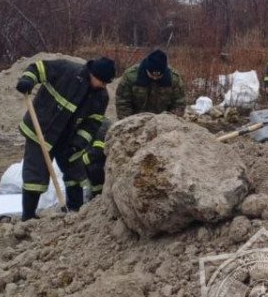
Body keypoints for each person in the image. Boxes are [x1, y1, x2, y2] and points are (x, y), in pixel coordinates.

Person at [15, 56, 115, 221]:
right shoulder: (66, 70)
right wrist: (27, 79)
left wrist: (79, 143)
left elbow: (93, 123)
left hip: (68, 139)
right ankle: (28, 217)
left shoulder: (101, 97)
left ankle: (75, 211)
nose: (104, 86)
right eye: (102, 81)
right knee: (36, 174)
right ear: (93, 73)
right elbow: (38, 68)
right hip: (41, 130)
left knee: (75, 172)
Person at [114, 49, 185, 119]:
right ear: (146, 69)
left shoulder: (174, 80)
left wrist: (171, 121)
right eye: (152, 75)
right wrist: (127, 122)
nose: (155, 78)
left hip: (163, 123)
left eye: (158, 76)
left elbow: (179, 104)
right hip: (136, 121)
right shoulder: (131, 77)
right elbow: (123, 102)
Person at [63, 118, 111, 212]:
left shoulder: (100, 127)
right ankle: (74, 207)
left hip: (102, 162)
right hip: (91, 158)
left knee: (93, 168)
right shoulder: (77, 126)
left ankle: (98, 197)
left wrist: (79, 162)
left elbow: (96, 153)